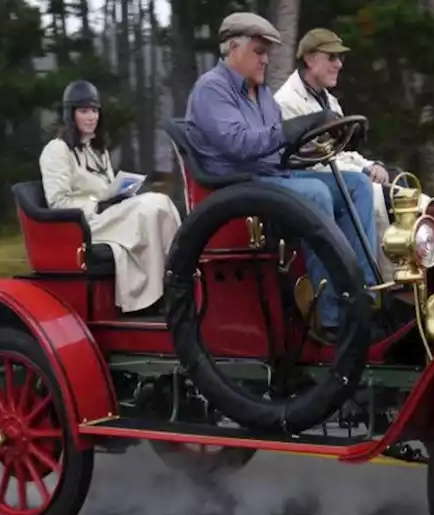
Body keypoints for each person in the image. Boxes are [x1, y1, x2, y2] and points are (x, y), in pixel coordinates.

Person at [184, 12, 381, 343]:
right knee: (316, 193)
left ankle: (361, 299)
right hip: (236, 188)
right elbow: (240, 144)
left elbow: (279, 152)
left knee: (358, 185)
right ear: (234, 49)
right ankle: (329, 316)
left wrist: (328, 135)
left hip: (272, 177)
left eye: (266, 53)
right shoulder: (211, 89)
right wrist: (297, 127)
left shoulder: (260, 93)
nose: (265, 60)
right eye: (259, 52)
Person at [275, 27, 433, 280]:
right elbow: (310, 160)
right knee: (374, 193)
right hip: (307, 181)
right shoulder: (286, 102)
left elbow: (341, 151)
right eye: (332, 57)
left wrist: (371, 165)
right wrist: (362, 171)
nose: (338, 64)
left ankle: (413, 278)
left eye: (340, 58)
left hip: (333, 174)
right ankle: (379, 282)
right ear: (310, 59)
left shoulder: (327, 100)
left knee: (408, 193)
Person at [39, 79, 181, 316]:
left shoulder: (97, 150)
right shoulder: (56, 150)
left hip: (109, 214)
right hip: (84, 224)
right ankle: (153, 295)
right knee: (149, 208)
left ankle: (174, 280)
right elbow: (57, 202)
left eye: (94, 110)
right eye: (84, 110)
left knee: (160, 202)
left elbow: (106, 188)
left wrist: (119, 195)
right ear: (70, 114)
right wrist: (97, 205)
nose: (91, 116)